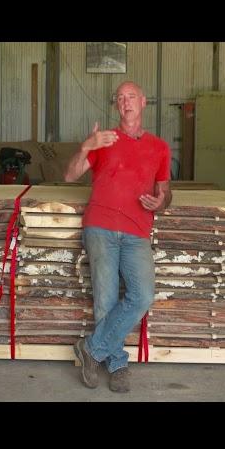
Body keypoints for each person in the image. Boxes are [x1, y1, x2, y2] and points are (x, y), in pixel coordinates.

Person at [63, 81, 172, 392]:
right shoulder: (103, 140)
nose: (126, 102)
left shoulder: (159, 147)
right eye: (120, 98)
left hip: (137, 231)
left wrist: (160, 202)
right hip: (100, 226)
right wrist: (87, 145)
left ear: (144, 101)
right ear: (115, 106)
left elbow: (165, 192)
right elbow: (70, 175)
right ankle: (118, 363)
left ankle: (91, 349)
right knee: (106, 299)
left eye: (131, 97)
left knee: (142, 296)